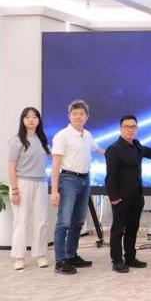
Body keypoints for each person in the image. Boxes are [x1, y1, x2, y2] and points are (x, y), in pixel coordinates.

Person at [51, 100, 105, 275]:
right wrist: (54, 190)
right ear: (69, 116)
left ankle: (72, 255)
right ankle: (60, 261)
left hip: (85, 180)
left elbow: (98, 150)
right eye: (74, 113)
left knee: (78, 221)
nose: (78, 117)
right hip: (68, 180)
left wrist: (116, 153)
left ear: (87, 117)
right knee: (64, 222)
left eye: (81, 114)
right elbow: (56, 165)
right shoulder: (62, 136)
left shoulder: (88, 135)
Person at [104, 115, 151, 273]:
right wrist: (113, 197)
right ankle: (117, 260)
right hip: (120, 197)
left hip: (136, 196)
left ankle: (130, 257)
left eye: (133, 126)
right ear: (121, 129)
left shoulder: (137, 145)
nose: (130, 129)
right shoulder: (114, 149)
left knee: (133, 228)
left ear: (137, 128)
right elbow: (110, 176)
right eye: (127, 126)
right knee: (118, 229)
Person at [8, 107, 51, 270]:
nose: (31, 120)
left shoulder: (42, 139)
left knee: (41, 220)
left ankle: (40, 254)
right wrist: (15, 190)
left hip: (41, 183)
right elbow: (11, 167)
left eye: (34, 117)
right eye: (27, 117)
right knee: (21, 220)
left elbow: (54, 156)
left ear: (39, 120)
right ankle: (18, 257)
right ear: (23, 120)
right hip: (22, 183)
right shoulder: (16, 140)